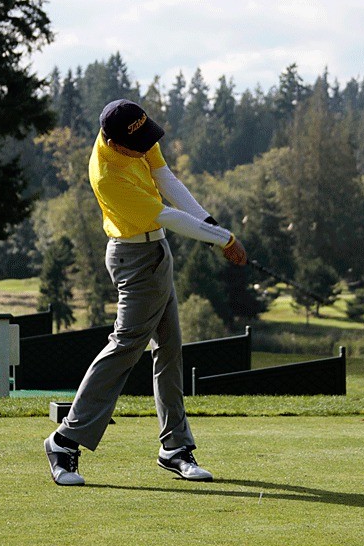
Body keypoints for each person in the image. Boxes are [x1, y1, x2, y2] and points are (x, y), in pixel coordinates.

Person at [45, 99, 247, 486]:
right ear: (117, 144)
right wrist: (223, 239)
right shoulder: (106, 175)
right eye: (137, 145)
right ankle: (64, 439)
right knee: (125, 348)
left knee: (170, 350)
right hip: (135, 260)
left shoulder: (134, 132)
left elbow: (166, 178)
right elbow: (165, 215)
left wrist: (211, 226)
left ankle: (174, 448)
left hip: (157, 253)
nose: (146, 147)